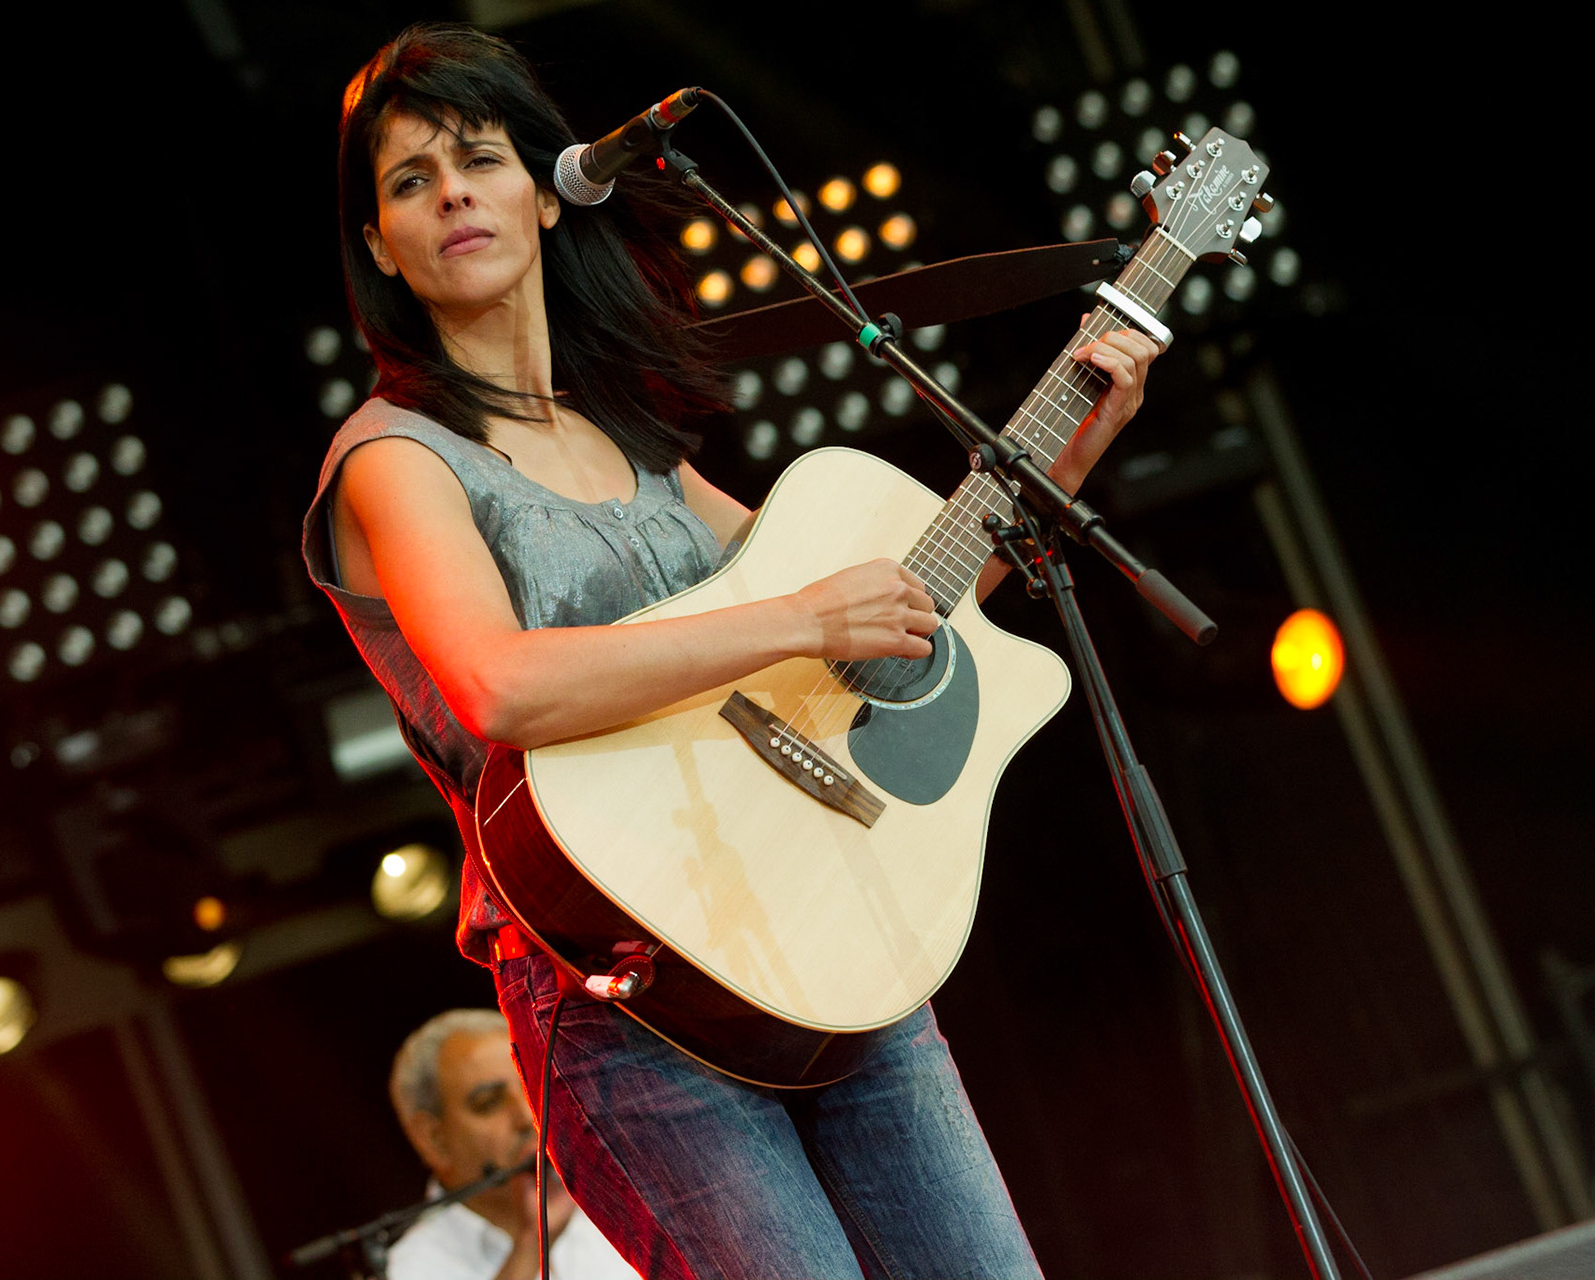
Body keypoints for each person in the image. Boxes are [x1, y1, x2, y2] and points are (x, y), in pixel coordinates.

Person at [304, 22, 1161, 1279]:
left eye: (479, 161)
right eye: (409, 181)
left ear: (546, 195)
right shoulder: (392, 458)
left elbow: (898, 605)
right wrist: (803, 619)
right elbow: (501, 684)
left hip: (816, 929)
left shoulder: (632, 435)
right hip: (618, 996)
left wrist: (1069, 442)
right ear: (381, 244)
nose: (451, 197)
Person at [386, 1009, 639, 1280]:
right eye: (490, 1103)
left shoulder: (610, 1199)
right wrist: (532, 1242)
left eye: (530, 1086)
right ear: (433, 1139)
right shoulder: (414, 1265)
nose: (526, 1114)